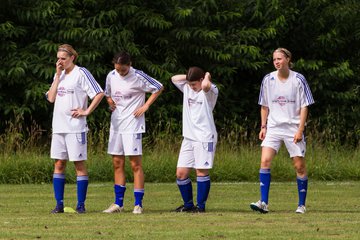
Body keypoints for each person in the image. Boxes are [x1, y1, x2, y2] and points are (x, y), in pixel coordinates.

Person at [250, 48, 315, 214]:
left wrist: (300, 130)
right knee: (265, 161)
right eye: (274, 60)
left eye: (279, 58)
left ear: (287, 59)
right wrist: (263, 126)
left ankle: (301, 205)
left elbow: (304, 106)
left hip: (293, 127)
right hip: (273, 127)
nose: (277, 62)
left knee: (299, 166)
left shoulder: (298, 79)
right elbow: (264, 105)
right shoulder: (268, 79)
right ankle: (263, 203)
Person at [102, 51, 163, 214]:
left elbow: (158, 87)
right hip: (116, 125)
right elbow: (107, 93)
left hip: (133, 125)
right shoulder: (111, 75)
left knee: (135, 164)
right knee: (117, 163)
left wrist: (146, 106)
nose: (120, 72)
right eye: (118, 69)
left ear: (129, 65)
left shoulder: (138, 76)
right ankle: (118, 204)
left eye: (123, 70)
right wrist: (110, 102)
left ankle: (138, 204)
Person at [46, 44, 104, 214]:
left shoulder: (81, 73)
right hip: (58, 127)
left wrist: (86, 111)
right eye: (58, 58)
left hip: (75, 128)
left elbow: (99, 93)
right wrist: (57, 76)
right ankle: (59, 204)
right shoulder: (60, 75)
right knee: (59, 163)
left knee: (78, 164)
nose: (60, 61)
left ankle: (81, 204)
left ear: (72, 58)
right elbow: (51, 98)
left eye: (63, 58)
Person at [171, 67, 218, 213]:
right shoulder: (187, 87)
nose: (191, 87)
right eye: (189, 84)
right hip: (189, 137)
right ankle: (188, 205)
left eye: (194, 84)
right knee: (181, 173)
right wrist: (189, 77)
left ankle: (201, 207)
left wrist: (207, 76)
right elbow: (173, 78)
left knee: (201, 171)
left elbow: (205, 85)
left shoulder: (210, 90)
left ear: (201, 79)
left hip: (204, 137)